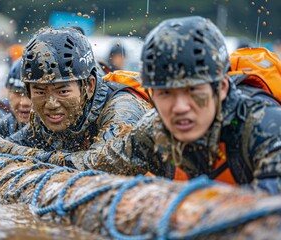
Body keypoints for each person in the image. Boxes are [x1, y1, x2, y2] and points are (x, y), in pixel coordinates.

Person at [74, 16, 281, 195]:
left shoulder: (264, 125)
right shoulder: (154, 128)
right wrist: (43, 158)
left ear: (222, 88)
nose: (180, 107)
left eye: (193, 91)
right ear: (153, 95)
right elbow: (93, 164)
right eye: (166, 93)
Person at [0, 27, 149, 168]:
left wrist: (24, 154)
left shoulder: (121, 107)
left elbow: (103, 163)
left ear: (89, 86)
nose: (51, 105)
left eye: (62, 92)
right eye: (40, 92)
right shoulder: (42, 116)